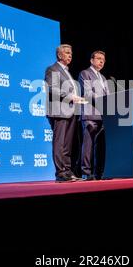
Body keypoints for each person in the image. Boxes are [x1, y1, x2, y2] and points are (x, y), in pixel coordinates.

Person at [45, 44, 85, 182]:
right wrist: (71, 96)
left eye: (71, 53)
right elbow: (51, 89)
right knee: (60, 143)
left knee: (67, 144)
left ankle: (67, 172)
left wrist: (77, 98)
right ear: (59, 55)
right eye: (67, 53)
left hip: (70, 111)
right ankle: (60, 173)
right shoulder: (53, 69)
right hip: (59, 111)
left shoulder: (67, 71)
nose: (70, 55)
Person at [78, 50, 109, 181]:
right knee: (88, 145)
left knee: (100, 146)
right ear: (91, 60)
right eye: (98, 58)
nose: (101, 61)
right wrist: (104, 101)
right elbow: (88, 93)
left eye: (103, 59)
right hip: (90, 114)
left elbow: (108, 96)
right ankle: (86, 172)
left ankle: (99, 172)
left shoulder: (103, 78)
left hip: (102, 116)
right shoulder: (85, 73)